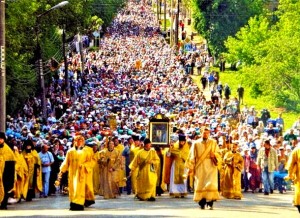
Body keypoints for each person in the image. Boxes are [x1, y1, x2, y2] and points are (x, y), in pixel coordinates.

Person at [185, 127, 220, 209]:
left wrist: (214, 155)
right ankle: (202, 201)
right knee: (201, 184)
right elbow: (192, 156)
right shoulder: (196, 143)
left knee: (210, 184)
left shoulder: (213, 142)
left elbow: (218, 153)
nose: (206, 134)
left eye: (207, 133)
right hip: (200, 166)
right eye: (204, 132)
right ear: (201, 133)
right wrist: (191, 167)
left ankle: (210, 202)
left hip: (211, 165)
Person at [165, 134, 189, 198]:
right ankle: (175, 192)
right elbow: (168, 155)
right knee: (174, 179)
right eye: (181, 141)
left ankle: (182, 192)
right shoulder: (174, 146)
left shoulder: (187, 148)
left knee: (183, 178)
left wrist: (183, 157)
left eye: (183, 142)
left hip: (184, 165)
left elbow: (188, 156)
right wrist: (170, 148)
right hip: (175, 164)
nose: (182, 143)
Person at [0, 132, 16, 210]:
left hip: (5, 174)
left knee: (5, 189)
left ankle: (3, 204)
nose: (0, 140)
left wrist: (11, 178)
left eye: (1, 139)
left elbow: (11, 165)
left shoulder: (8, 150)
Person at [286, 142, 300, 213]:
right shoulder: (297, 150)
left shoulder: (296, 149)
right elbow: (291, 164)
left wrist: (289, 175)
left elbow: (290, 164)